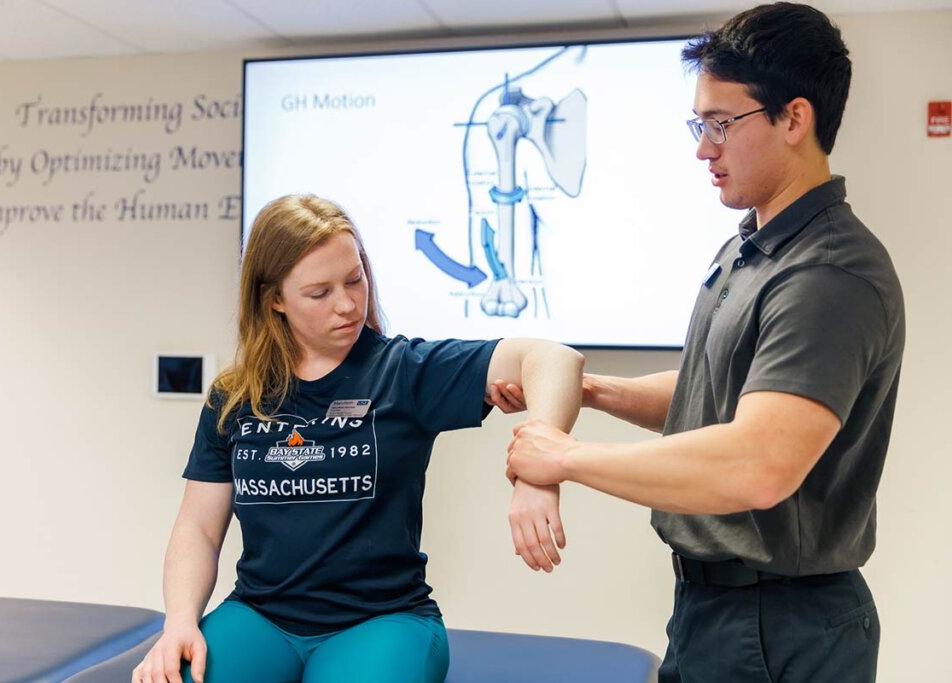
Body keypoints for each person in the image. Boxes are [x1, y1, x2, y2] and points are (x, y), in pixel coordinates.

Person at [501, 3, 905, 681]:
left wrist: (565, 458)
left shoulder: (828, 273)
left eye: (721, 124)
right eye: (699, 124)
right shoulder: (751, 247)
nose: (703, 148)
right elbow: (714, 393)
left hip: (779, 624)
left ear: (794, 119)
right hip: (714, 611)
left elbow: (757, 463)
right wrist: (593, 390)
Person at [132, 194, 583, 683]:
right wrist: (180, 622)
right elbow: (199, 527)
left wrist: (540, 472)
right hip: (260, 617)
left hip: (381, 622)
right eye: (319, 292)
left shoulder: (405, 371)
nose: (347, 304)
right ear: (274, 299)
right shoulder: (237, 397)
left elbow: (554, 359)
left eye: (354, 279)